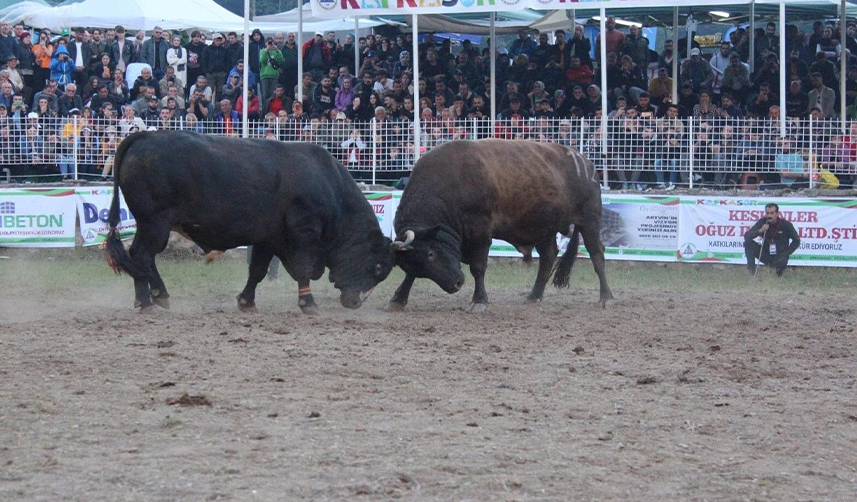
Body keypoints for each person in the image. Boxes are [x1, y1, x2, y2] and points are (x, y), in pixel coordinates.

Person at [744, 203, 801, 276]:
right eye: (767, 213)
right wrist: (760, 230)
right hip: (765, 254)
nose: (769, 216)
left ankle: (778, 276)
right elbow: (747, 236)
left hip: (780, 255)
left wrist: (787, 252)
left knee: (782, 260)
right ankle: (752, 272)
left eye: (772, 213)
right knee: (748, 243)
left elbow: (797, 240)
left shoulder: (786, 224)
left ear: (777, 213)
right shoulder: (763, 222)